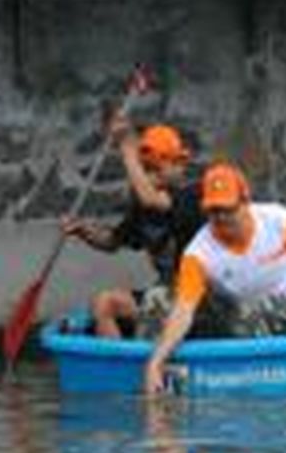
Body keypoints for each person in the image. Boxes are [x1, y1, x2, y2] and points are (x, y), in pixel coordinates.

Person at [144, 162, 286, 394]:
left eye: (228, 209)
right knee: (157, 298)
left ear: (245, 201)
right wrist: (156, 361)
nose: (222, 218)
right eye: (214, 211)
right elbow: (184, 308)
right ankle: (148, 366)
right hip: (243, 320)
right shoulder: (197, 253)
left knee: (253, 309)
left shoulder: (277, 220)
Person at [60, 113, 203, 338]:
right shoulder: (142, 210)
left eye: (157, 169)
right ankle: (117, 369)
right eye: (148, 170)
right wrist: (83, 231)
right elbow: (112, 242)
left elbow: (152, 199)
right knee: (104, 303)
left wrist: (127, 148)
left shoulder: (191, 196)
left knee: (155, 305)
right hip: (165, 294)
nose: (150, 176)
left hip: (196, 298)